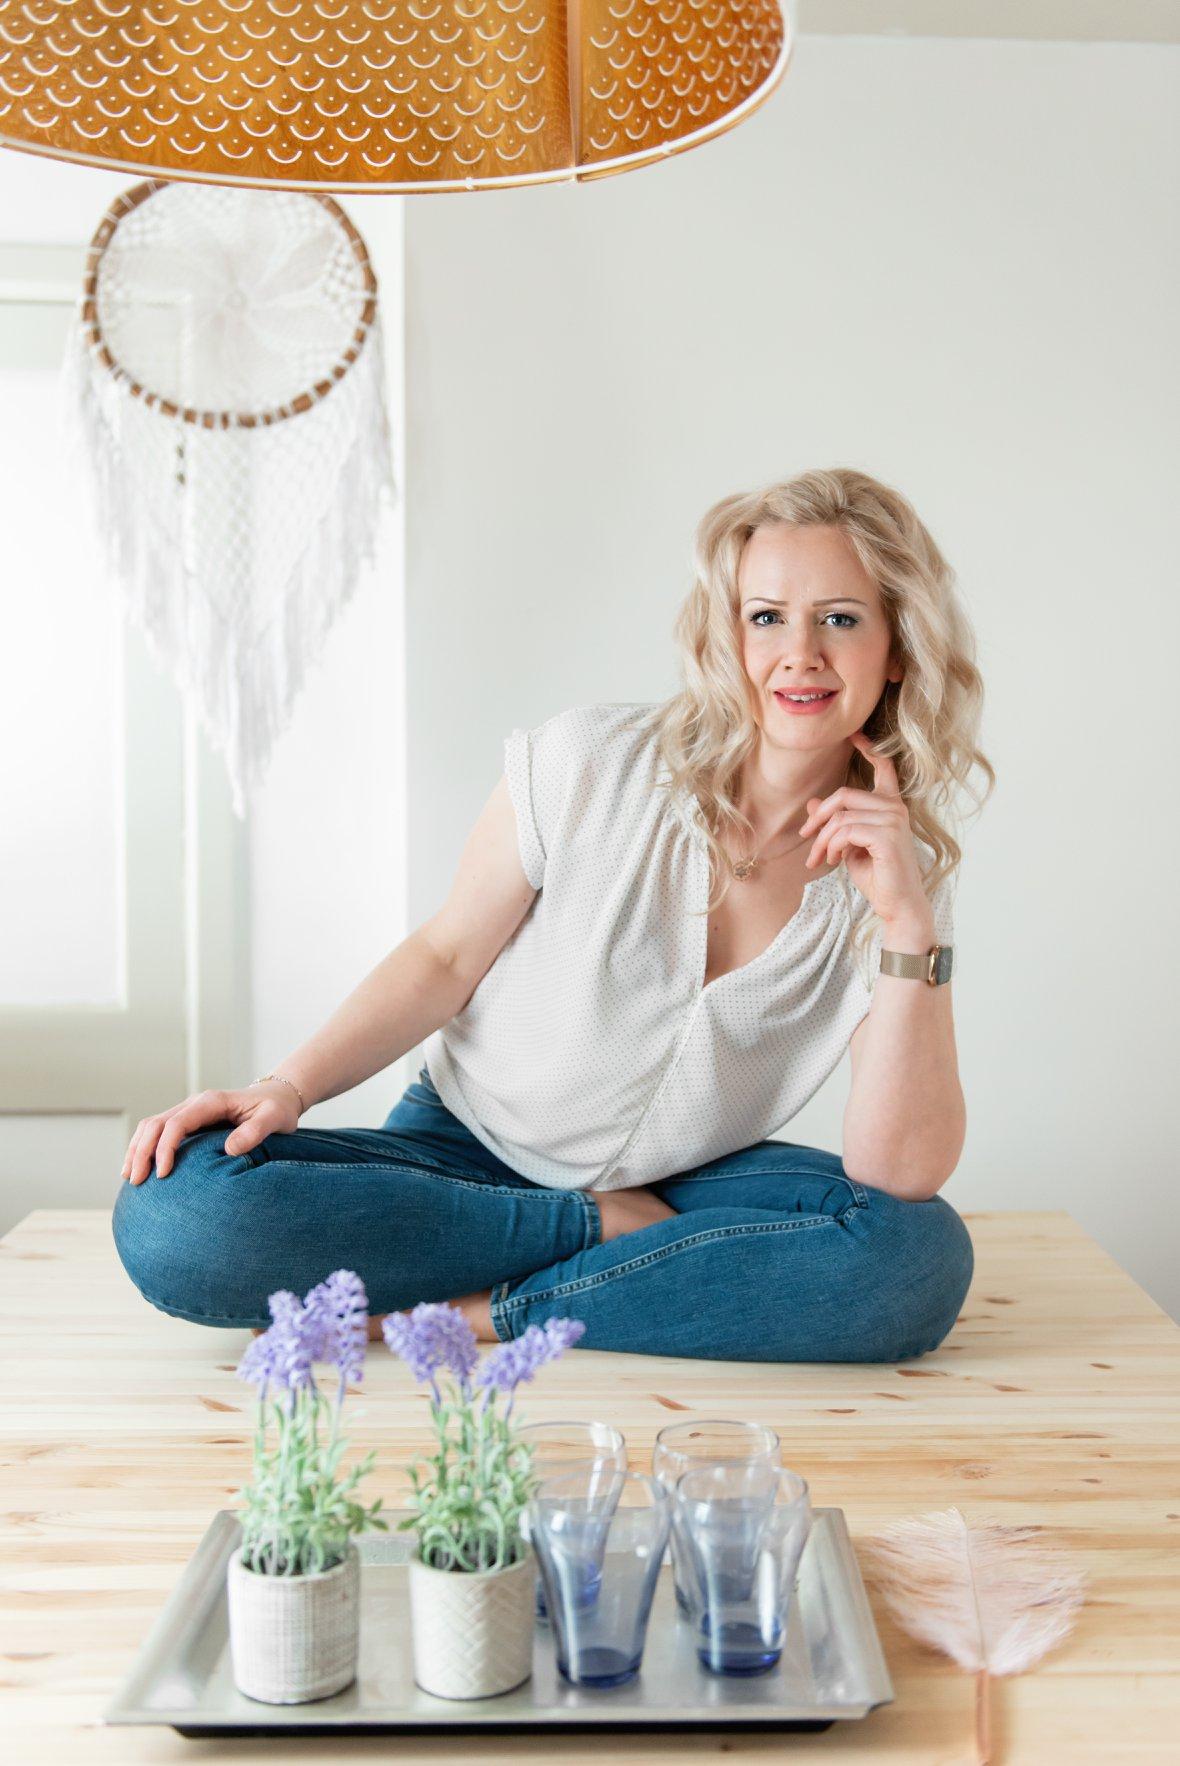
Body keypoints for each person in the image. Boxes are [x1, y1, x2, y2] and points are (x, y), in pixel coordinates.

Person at [112, 467, 993, 1363]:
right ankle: (593, 1239)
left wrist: (908, 933)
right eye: (766, 616)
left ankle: (485, 1315)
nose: (799, 653)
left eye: (839, 619)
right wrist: (286, 1088)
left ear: (896, 646)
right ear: (729, 636)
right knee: (178, 1213)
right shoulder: (591, 761)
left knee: (913, 1259)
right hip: (460, 1166)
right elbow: (447, 958)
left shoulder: (898, 878)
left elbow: (900, 1172)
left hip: (677, 1190)